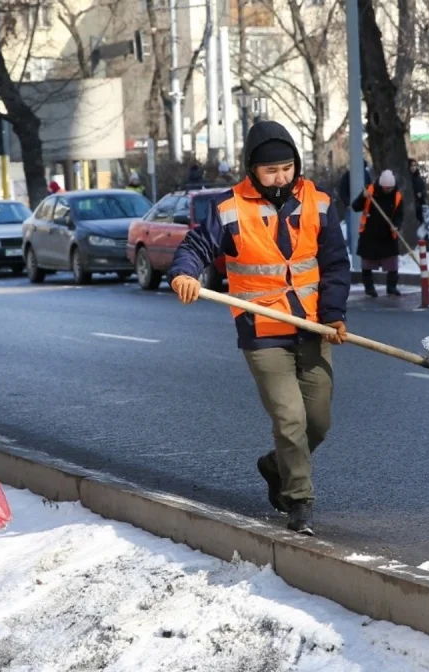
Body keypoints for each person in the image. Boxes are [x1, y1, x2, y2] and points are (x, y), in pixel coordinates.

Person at [167, 120, 350, 536]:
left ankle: (276, 465)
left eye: (286, 168)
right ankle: (298, 501)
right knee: (289, 418)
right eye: (271, 171)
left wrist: (334, 315)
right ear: (252, 169)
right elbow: (196, 247)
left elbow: (336, 265)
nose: (280, 177)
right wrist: (185, 273)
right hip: (262, 330)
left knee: (317, 422)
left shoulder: (318, 203)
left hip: (313, 326)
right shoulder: (230, 208)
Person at [351, 170, 404, 297]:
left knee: (392, 264)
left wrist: (396, 226)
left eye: (390, 188)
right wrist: (363, 197)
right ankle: (369, 288)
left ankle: (391, 287)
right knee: (367, 264)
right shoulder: (370, 191)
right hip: (370, 233)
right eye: (386, 188)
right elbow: (355, 206)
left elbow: (399, 215)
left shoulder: (397, 196)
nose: (388, 191)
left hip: (388, 235)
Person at [409, 158, 427, 232]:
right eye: (411, 166)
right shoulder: (407, 178)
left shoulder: (418, 178)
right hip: (412, 205)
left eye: (414, 165)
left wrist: (422, 194)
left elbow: (424, 189)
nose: (413, 167)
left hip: (420, 204)